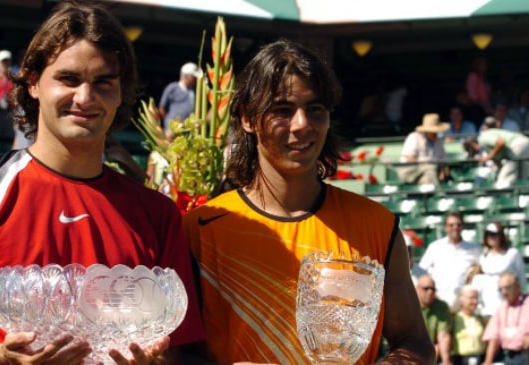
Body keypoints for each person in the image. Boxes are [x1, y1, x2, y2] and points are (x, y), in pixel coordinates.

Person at [0, 1, 205, 364]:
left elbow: (175, 350)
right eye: (68, 79)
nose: (85, 98)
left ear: (121, 94)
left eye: (103, 82)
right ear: (34, 82)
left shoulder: (157, 215)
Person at [183, 39, 434, 364]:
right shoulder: (201, 228)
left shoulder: (377, 226)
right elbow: (177, 353)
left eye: (315, 109)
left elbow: (415, 342)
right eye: (282, 110)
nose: (302, 124)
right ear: (246, 118)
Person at [419, 212, 481, 311]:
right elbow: (422, 272)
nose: (455, 227)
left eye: (458, 225)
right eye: (451, 225)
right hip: (438, 302)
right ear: (445, 227)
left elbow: (480, 269)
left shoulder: (474, 249)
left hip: (463, 307)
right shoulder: (435, 247)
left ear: (463, 227)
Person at [471, 222, 526, 317]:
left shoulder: (512, 254)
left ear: (501, 235)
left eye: (494, 234)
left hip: (509, 307)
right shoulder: (483, 257)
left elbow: (522, 281)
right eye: (488, 234)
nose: (491, 237)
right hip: (488, 308)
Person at [464, 116, 529, 186]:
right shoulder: (488, 146)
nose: (474, 153)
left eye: (471, 150)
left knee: (503, 182)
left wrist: (487, 157)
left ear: (473, 144)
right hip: (525, 143)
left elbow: (501, 142)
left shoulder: (483, 137)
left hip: (517, 146)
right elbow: (498, 161)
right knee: (523, 179)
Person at [482, 272, 529, 365]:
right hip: (510, 357)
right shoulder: (501, 309)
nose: (504, 292)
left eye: (508, 288)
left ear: (517, 286)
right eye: (501, 289)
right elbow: (493, 337)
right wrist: (488, 361)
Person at [397, 113, 450, 185]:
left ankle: (434, 193)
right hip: (410, 170)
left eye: (436, 132)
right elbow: (410, 158)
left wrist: (444, 170)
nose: (435, 134)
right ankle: (439, 194)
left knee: (427, 179)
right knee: (430, 169)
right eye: (433, 132)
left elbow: (443, 160)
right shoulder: (414, 137)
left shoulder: (438, 142)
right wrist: (426, 165)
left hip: (429, 173)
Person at [415, 274, 453, 365]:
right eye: (426, 288)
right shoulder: (407, 306)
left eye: (433, 289)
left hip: (431, 352)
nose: (430, 292)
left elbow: (443, 336)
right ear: (417, 289)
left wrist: (446, 361)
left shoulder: (441, 306)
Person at [159, 62, 200, 140]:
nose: (195, 80)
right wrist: (168, 122)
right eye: (193, 77)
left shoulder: (194, 92)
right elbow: (162, 107)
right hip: (171, 132)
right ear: (185, 76)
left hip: (187, 132)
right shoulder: (172, 88)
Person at [451, 285, 487, 365]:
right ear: (461, 300)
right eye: (471, 298)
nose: (475, 301)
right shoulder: (454, 319)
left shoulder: (482, 319)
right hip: (459, 360)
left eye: (476, 298)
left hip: (480, 360)